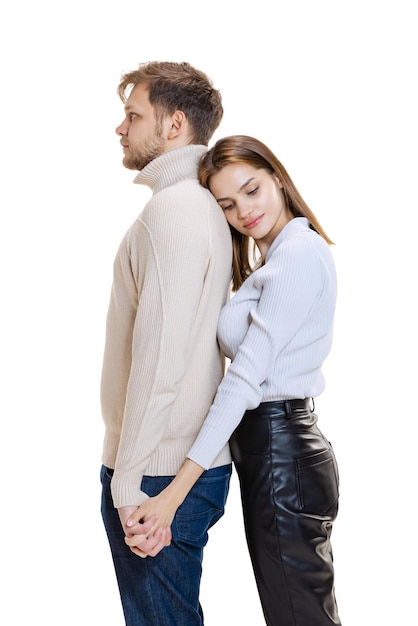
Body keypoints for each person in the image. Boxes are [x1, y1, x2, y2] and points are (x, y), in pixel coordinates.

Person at [125, 135, 342, 626]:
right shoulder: (275, 261)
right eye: (226, 203)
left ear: (278, 179)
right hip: (273, 450)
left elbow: (242, 381)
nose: (244, 211)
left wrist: (174, 492)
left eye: (252, 190)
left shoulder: (298, 257)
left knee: (298, 615)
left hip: (281, 451)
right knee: (295, 612)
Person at [99, 61, 233, 626]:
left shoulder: (172, 212)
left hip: (156, 475)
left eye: (134, 115)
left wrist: (128, 480)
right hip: (172, 464)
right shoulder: (194, 206)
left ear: (174, 124)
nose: (120, 129)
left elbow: (161, 361)